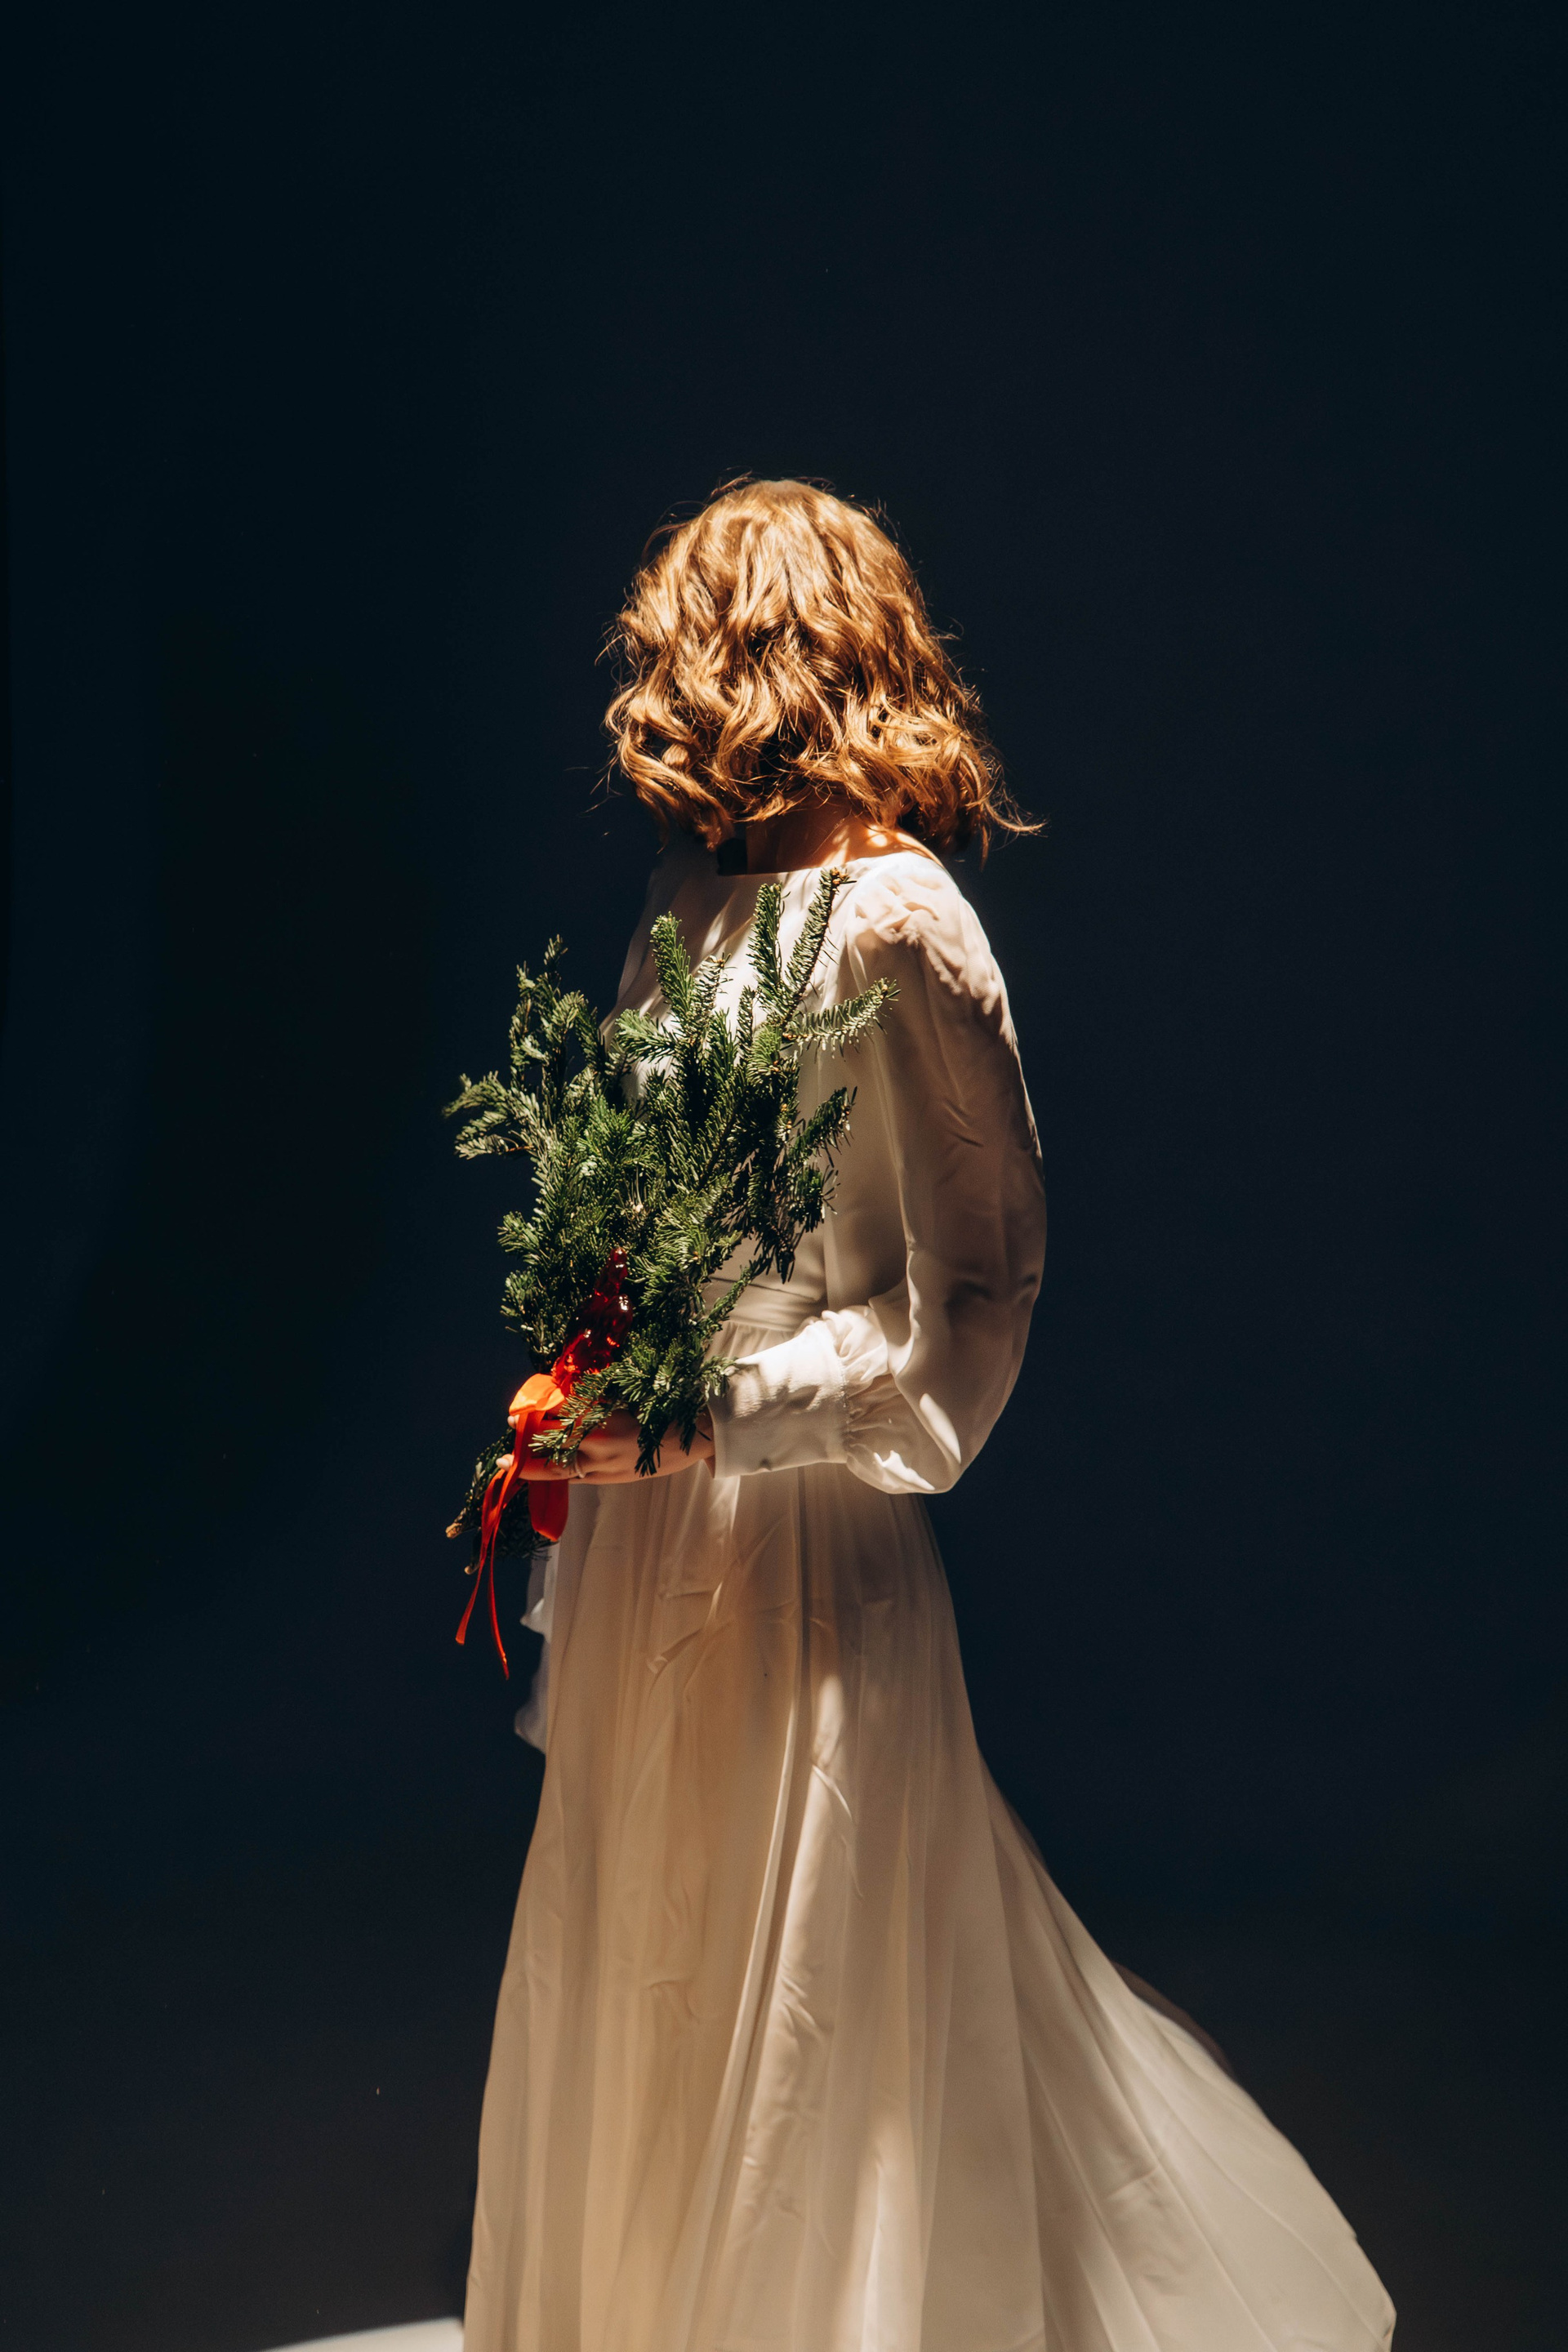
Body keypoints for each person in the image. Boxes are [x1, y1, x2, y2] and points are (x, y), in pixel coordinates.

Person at [461, 479, 1395, 2352]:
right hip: (652, 1542)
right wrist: (594, 1360)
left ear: (765, 651)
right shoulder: (685, 903)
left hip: (802, 1545)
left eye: (685, 639)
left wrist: (717, 1410)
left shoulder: (903, 921)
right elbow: (644, 1210)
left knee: (813, 1990)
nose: (656, 682)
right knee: (647, 1941)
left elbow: (970, 1310)